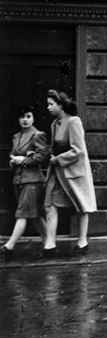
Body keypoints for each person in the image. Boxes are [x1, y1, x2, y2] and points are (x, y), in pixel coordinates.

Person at [41, 90, 96, 257]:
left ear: (61, 105)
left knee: (81, 207)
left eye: (51, 104)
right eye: (48, 104)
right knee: (49, 205)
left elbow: (78, 150)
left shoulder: (74, 122)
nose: (48, 107)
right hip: (57, 173)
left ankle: (82, 242)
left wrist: (57, 159)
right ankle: (49, 245)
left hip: (74, 173)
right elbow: (54, 146)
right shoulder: (54, 124)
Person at [2, 105, 50, 260]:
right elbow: (14, 153)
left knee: (22, 214)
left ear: (33, 118)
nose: (25, 120)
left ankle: (9, 246)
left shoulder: (38, 135)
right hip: (19, 180)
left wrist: (23, 160)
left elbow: (43, 156)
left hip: (33, 181)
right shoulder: (16, 136)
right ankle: (49, 244)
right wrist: (13, 159)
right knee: (35, 216)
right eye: (22, 117)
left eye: (28, 116)